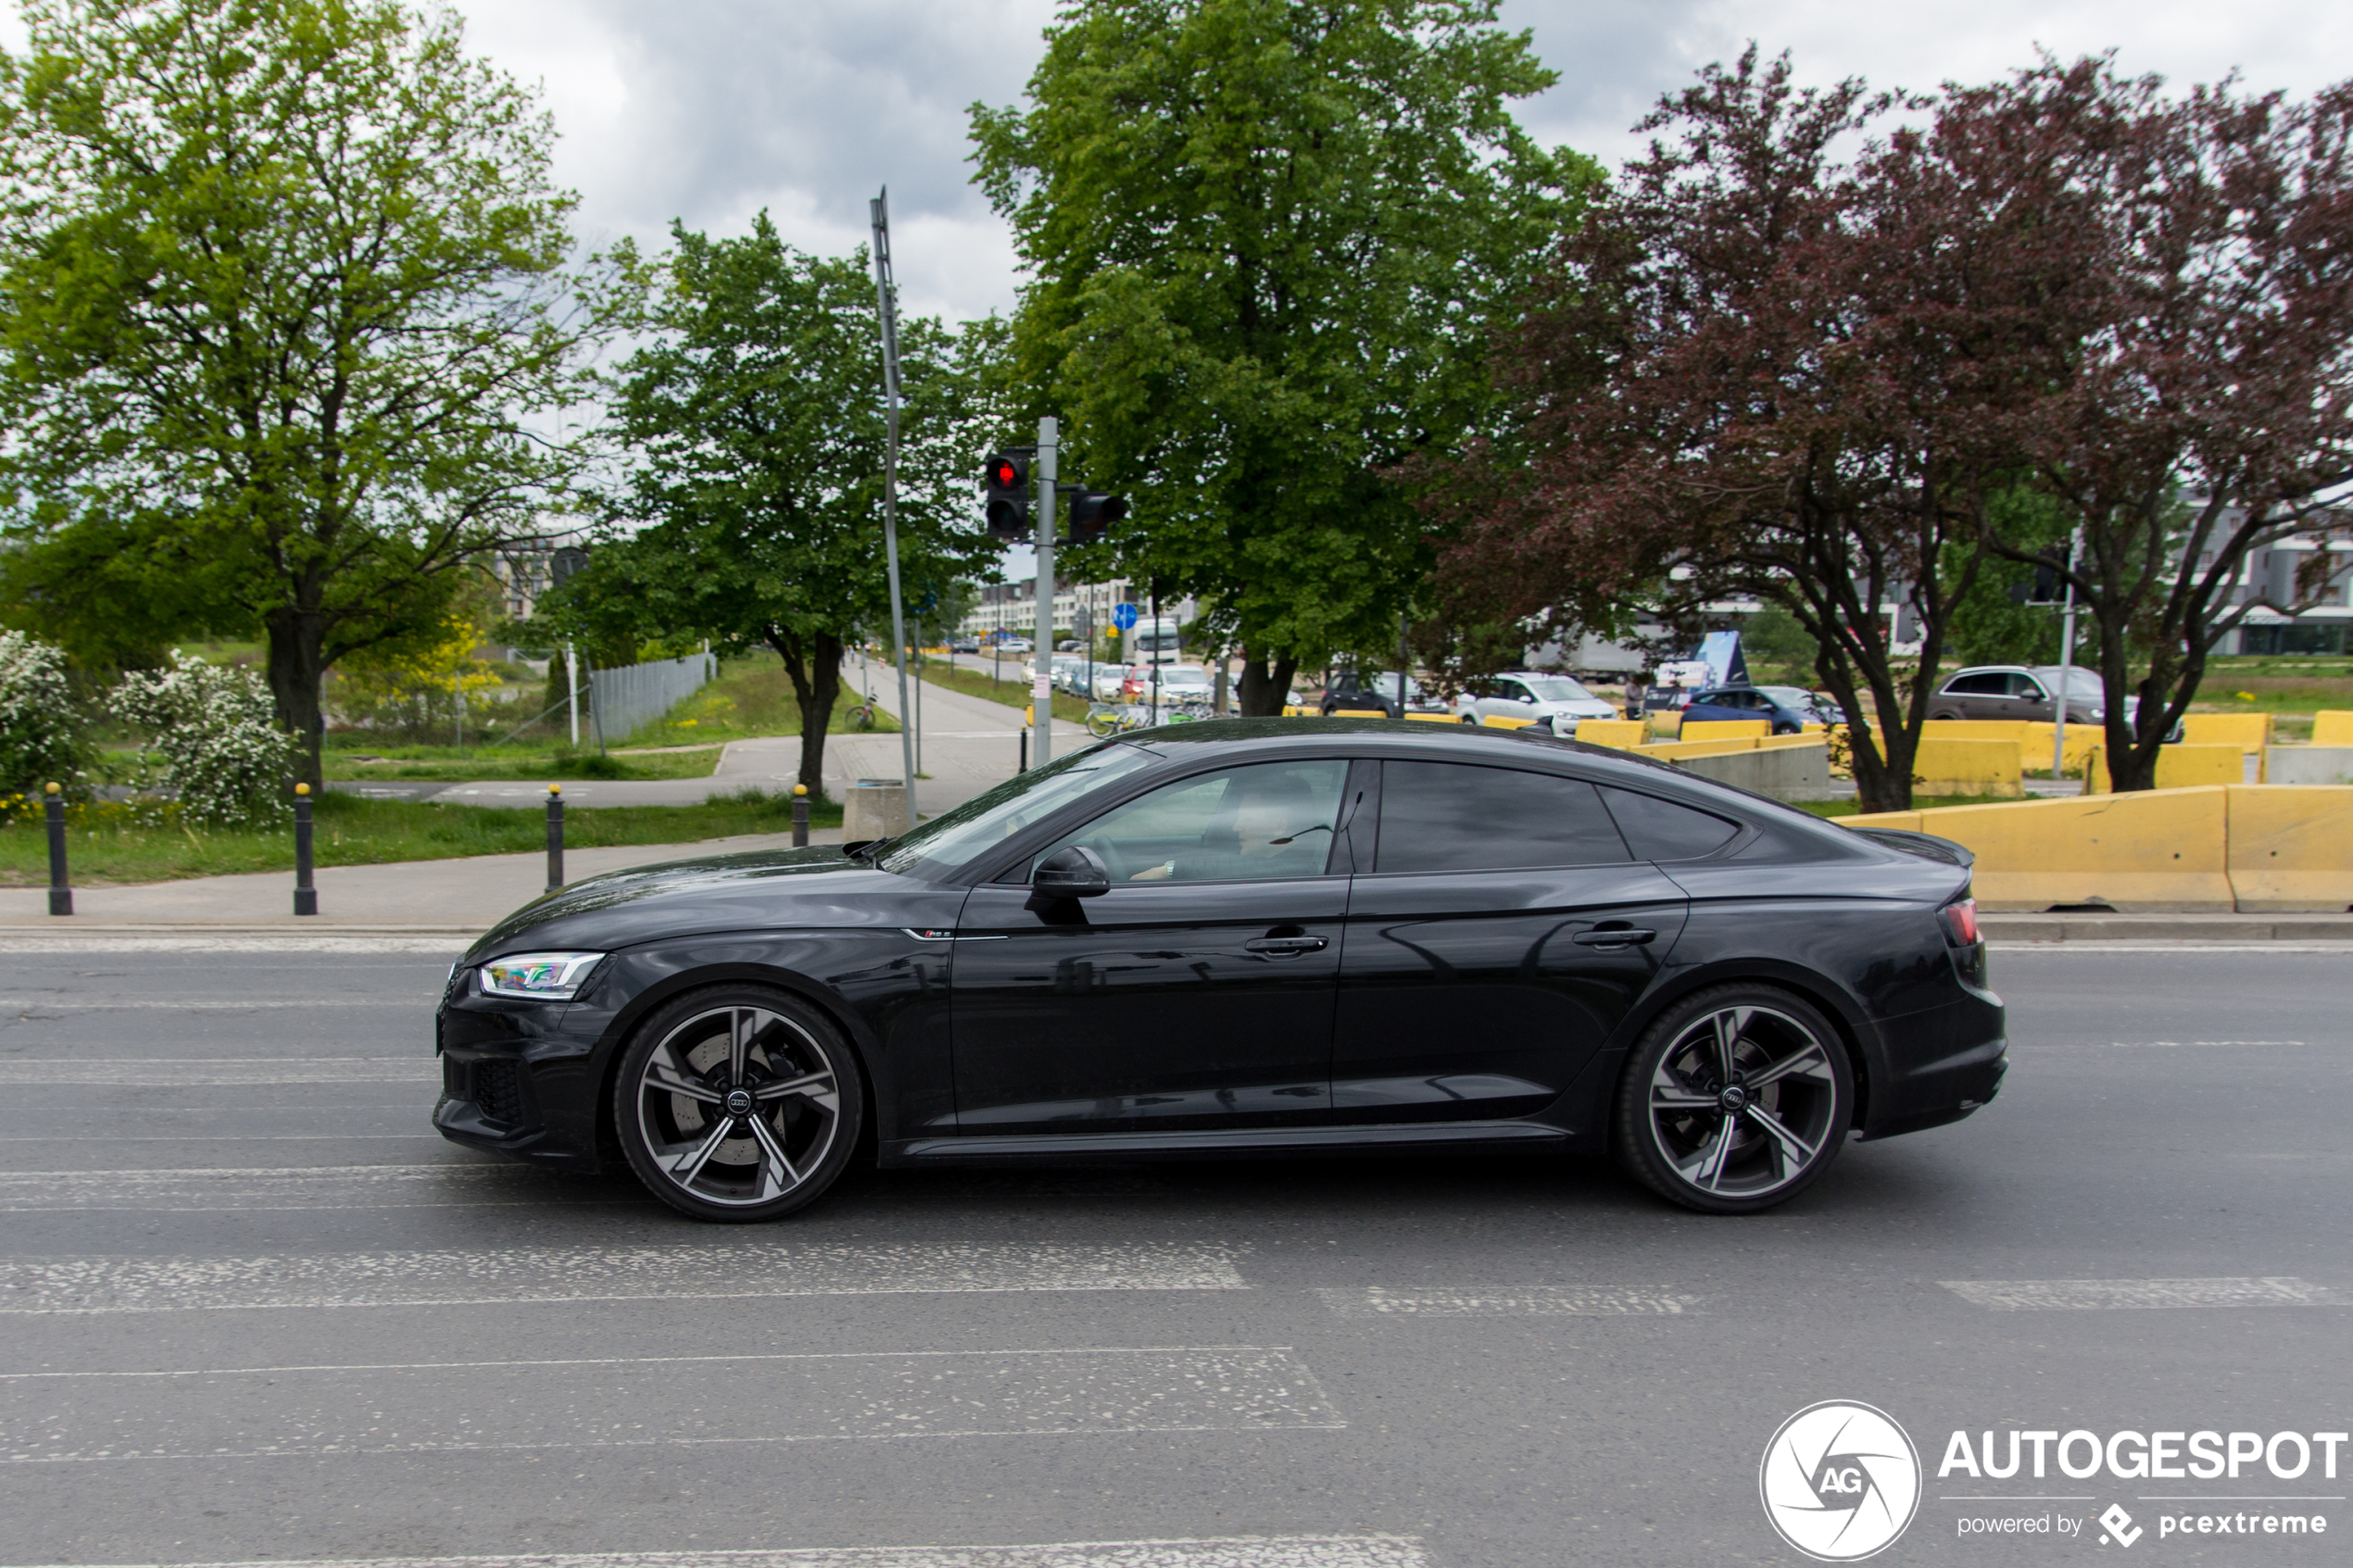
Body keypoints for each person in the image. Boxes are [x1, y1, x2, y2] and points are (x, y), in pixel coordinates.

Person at [1129, 770, 1336, 882]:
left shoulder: (1302, 869)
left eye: (1247, 819)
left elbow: (1259, 869)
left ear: (1281, 825)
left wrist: (1167, 871)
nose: (1236, 827)